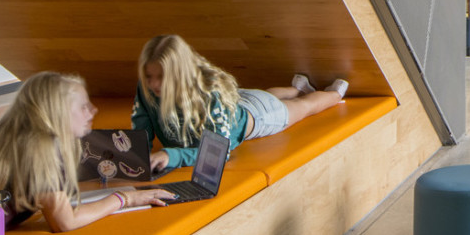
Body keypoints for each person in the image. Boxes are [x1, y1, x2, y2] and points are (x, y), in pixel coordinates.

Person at [0, 72, 168, 235]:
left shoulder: (13, 137)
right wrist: (125, 198)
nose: (93, 110)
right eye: (83, 106)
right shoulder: (41, 149)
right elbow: (65, 222)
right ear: (57, 113)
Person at [132, 35, 348, 168]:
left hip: (258, 115)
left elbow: (218, 152)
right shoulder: (148, 89)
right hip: (236, 102)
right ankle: (296, 88)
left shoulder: (209, 97)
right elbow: (141, 128)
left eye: (161, 77)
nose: (154, 84)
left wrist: (172, 155)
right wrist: (135, 158)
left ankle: (333, 94)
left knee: (303, 107)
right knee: (264, 95)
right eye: (149, 77)